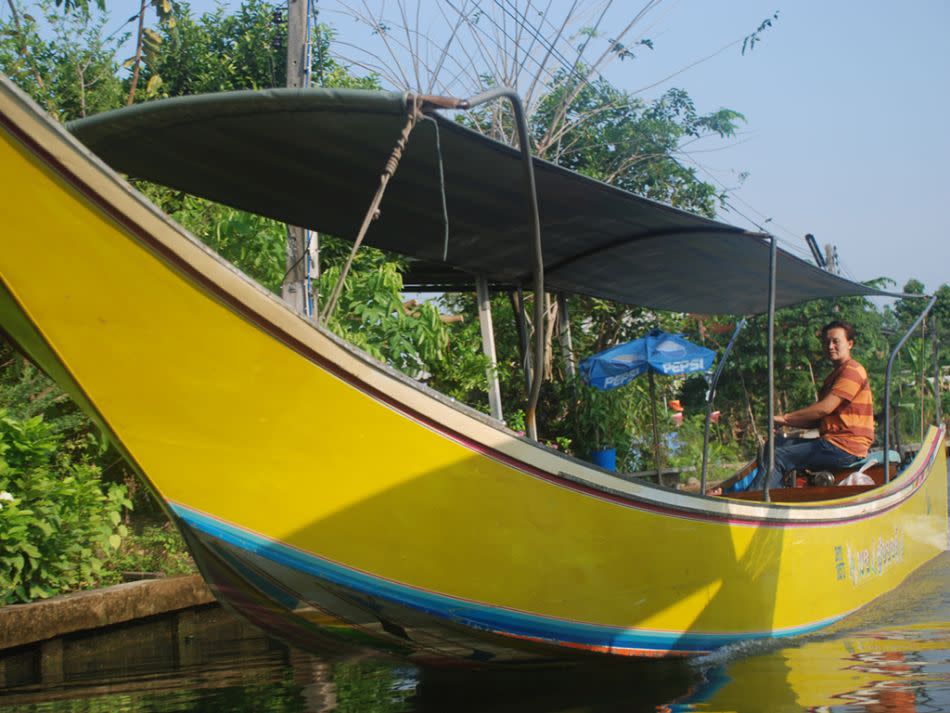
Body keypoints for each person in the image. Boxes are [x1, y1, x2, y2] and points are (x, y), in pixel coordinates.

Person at [750, 320, 874, 490]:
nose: (830, 346)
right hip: (831, 442)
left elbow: (824, 408)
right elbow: (818, 420)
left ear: (850, 344)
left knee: (778, 457)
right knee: (775, 444)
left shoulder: (852, 371)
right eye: (826, 342)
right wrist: (784, 422)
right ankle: (775, 494)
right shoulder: (834, 376)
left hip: (845, 447)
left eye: (835, 341)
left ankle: (754, 501)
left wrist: (786, 417)